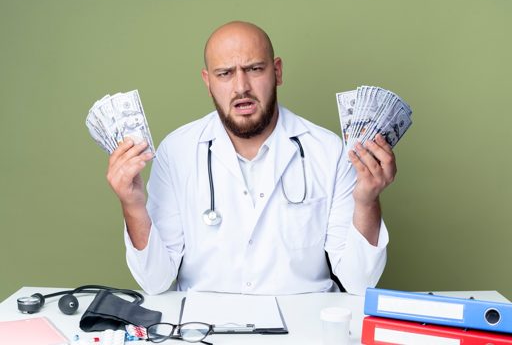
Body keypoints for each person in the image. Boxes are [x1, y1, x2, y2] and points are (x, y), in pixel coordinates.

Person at [106, 21, 396, 296]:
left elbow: (360, 283)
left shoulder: (328, 151)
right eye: (225, 74)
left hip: (304, 324)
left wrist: (367, 201)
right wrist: (132, 204)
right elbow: (155, 281)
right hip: (205, 325)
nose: (241, 86)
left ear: (277, 72)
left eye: (254, 69)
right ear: (208, 81)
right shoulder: (177, 151)